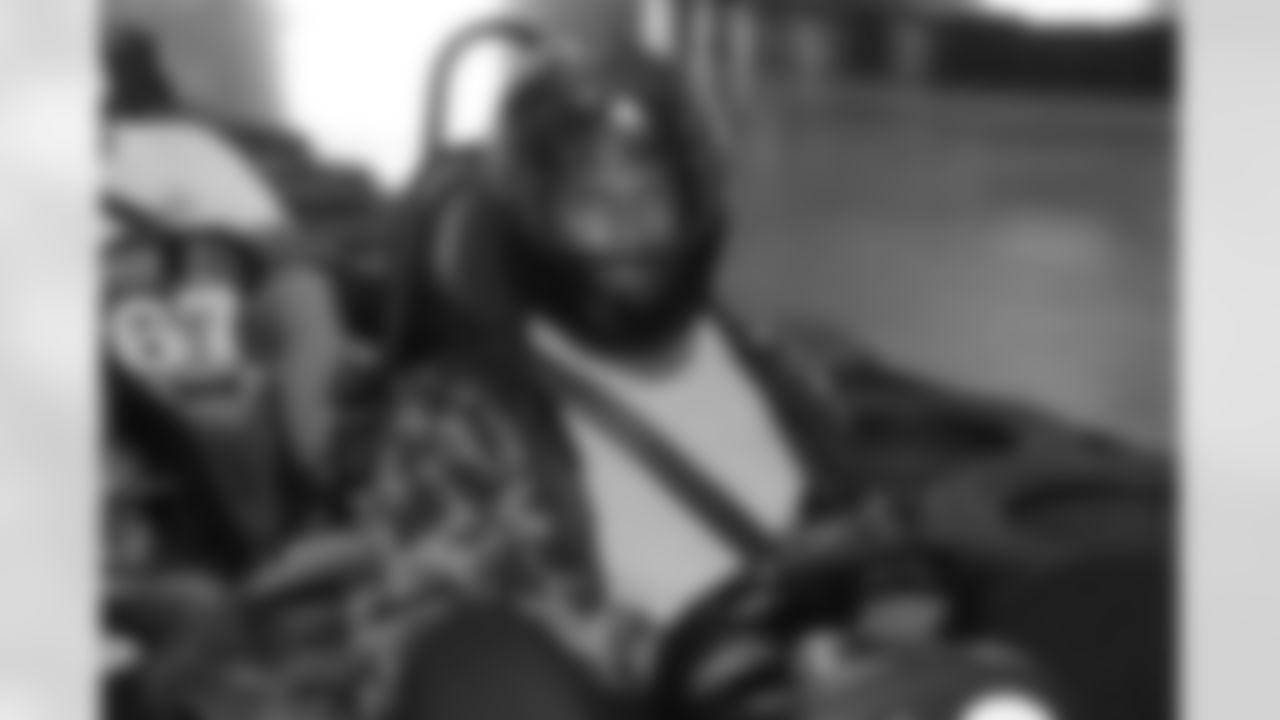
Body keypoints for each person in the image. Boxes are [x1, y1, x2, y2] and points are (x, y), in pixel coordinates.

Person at [334, 50, 1170, 720]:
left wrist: (896, 582)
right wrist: (678, 657)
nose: (627, 225)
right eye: (592, 201)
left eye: (651, 196)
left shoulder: (780, 368)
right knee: (476, 660)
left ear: (695, 206)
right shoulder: (457, 414)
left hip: (845, 681)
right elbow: (400, 641)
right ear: (533, 223)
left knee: (1136, 599)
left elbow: (859, 530)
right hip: (645, 702)